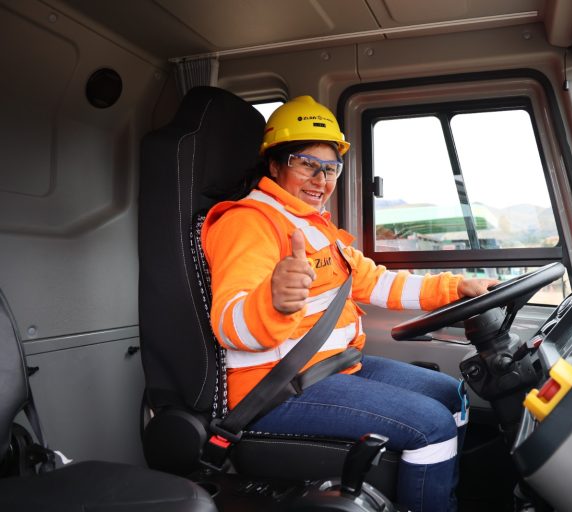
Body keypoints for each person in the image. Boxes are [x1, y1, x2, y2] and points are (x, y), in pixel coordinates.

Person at [202, 95, 497, 512]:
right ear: (274, 165)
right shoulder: (247, 222)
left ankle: (437, 495)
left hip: (334, 367)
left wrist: (456, 286)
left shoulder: (314, 226)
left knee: (451, 394)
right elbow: (230, 323)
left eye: (330, 168)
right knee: (431, 426)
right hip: (274, 389)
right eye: (306, 163)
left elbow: (376, 282)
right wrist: (273, 303)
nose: (321, 179)